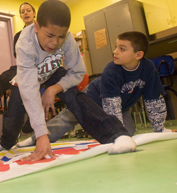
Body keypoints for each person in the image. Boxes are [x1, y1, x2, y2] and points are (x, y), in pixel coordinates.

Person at [0, 0, 136, 160]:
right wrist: (41, 135)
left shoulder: (67, 39)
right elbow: (29, 91)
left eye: (61, 36)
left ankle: (115, 134)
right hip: (27, 78)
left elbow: (78, 72)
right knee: (14, 113)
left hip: (52, 72)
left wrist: (54, 89)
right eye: (50, 35)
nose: (55, 42)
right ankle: (6, 142)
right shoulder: (25, 44)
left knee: (75, 96)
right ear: (37, 26)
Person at [18, 31, 173, 147]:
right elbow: (111, 106)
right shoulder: (112, 70)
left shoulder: (148, 69)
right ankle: (35, 138)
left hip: (122, 106)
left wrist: (159, 128)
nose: (115, 51)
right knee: (67, 118)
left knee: (129, 135)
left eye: (122, 49)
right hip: (92, 99)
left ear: (138, 55)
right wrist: (116, 133)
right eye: (116, 47)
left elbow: (154, 99)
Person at [0, 2, 36, 99]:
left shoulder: (41, 31)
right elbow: (16, 54)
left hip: (40, 64)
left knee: (18, 71)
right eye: (23, 12)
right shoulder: (18, 36)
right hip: (26, 65)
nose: (26, 13)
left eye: (28, 11)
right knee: (14, 69)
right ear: (20, 16)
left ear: (34, 13)